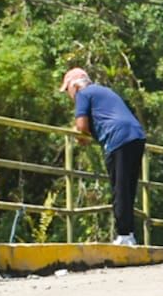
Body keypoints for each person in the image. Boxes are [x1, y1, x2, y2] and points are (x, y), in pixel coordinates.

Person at [60, 68, 146, 246]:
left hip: (118, 139)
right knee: (128, 187)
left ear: (75, 86)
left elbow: (81, 126)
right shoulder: (104, 90)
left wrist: (80, 136)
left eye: (67, 90)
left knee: (119, 187)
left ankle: (124, 235)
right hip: (136, 135)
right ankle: (130, 233)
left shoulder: (83, 94)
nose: (69, 96)